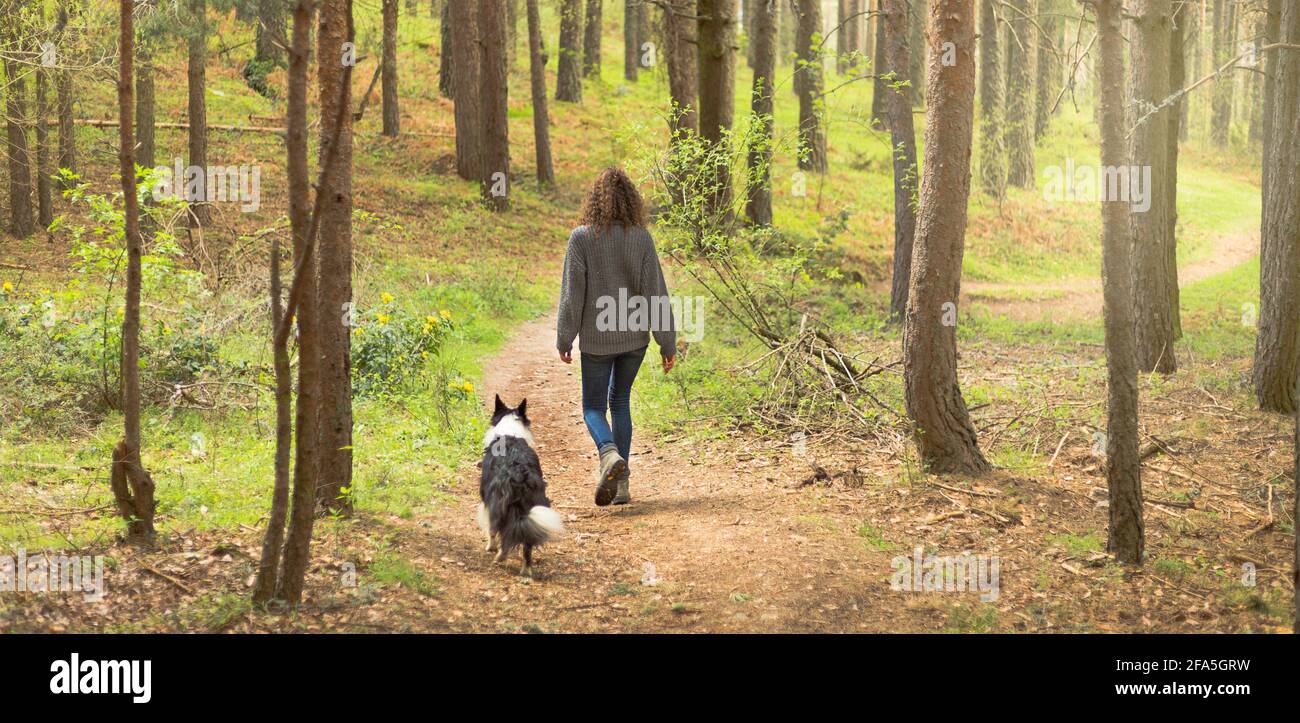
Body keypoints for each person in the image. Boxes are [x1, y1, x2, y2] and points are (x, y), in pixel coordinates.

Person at [557, 167, 676, 506]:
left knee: (593, 407)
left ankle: (609, 454)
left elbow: (572, 295)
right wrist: (667, 341)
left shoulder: (582, 237)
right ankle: (621, 485)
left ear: (596, 201)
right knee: (620, 401)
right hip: (634, 340)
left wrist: (564, 338)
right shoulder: (641, 237)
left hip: (596, 339)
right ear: (631, 202)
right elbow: (656, 294)